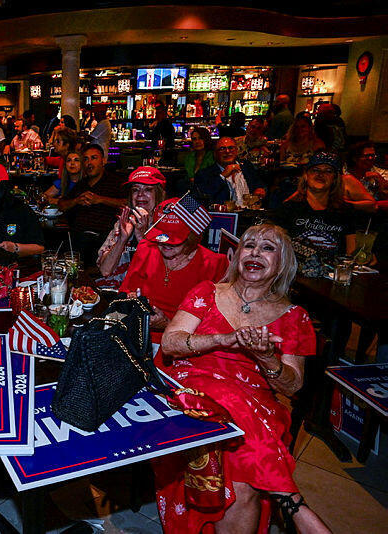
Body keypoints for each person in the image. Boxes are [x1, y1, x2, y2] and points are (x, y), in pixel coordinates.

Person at [155, 223, 331, 534]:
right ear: (236, 256)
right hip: (192, 385)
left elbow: (293, 386)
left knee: (241, 474)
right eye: (249, 246)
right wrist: (224, 339)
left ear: (284, 263)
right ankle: (289, 500)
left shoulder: (295, 317)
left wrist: (264, 357)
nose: (256, 253)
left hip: (255, 405)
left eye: (268, 248)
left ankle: (282, 497)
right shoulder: (207, 291)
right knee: (224, 398)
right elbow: (170, 343)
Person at [120, 197, 228, 347]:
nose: (164, 243)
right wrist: (130, 300)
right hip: (137, 338)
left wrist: (168, 324)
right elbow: (125, 292)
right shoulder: (146, 248)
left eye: (174, 239)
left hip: (183, 345)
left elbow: (214, 328)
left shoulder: (215, 264)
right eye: (161, 235)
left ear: (192, 237)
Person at [276, 152, 358, 271]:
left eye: (328, 171)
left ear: (335, 178)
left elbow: (352, 252)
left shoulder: (345, 211)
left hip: (332, 274)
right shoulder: (289, 208)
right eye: (316, 170)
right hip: (294, 274)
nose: (321, 174)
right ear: (306, 175)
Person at [97, 166, 166, 289]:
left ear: (159, 194)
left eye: (148, 189)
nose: (140, 195)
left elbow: (162, 275)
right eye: (135, 190)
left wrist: (142, 239)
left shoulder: (168, 226)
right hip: (116, 290)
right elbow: (105, 271)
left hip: (150, 293)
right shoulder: (124, 222)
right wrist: (122, 240)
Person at [59, 144, 125, 259]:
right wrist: (76, 201)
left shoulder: (116, 182)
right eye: (85, 159)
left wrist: (100, 200)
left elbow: (128, 203)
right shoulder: (81, 185)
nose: (89, 163)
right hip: (77, 239)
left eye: (94, 158)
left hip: (104, 241)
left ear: (103, 161)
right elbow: (61, 205)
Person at [194, 136, 266, 206]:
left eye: (231, 148)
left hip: (249, 214)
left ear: (236, 151)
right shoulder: (204, 174)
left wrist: (260, 189)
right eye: (222, 149)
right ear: (215, 153)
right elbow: (204, 196)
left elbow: (259, 183)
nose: (227, 151)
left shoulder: (246, 166)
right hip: (225, 216)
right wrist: (222, 176)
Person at [344, 141, 388, 206]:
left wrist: (381, 181)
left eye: (372, 155)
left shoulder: (380, 172)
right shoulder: (344, 174)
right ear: (355, 158)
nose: (370, 158)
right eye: (366, 156)